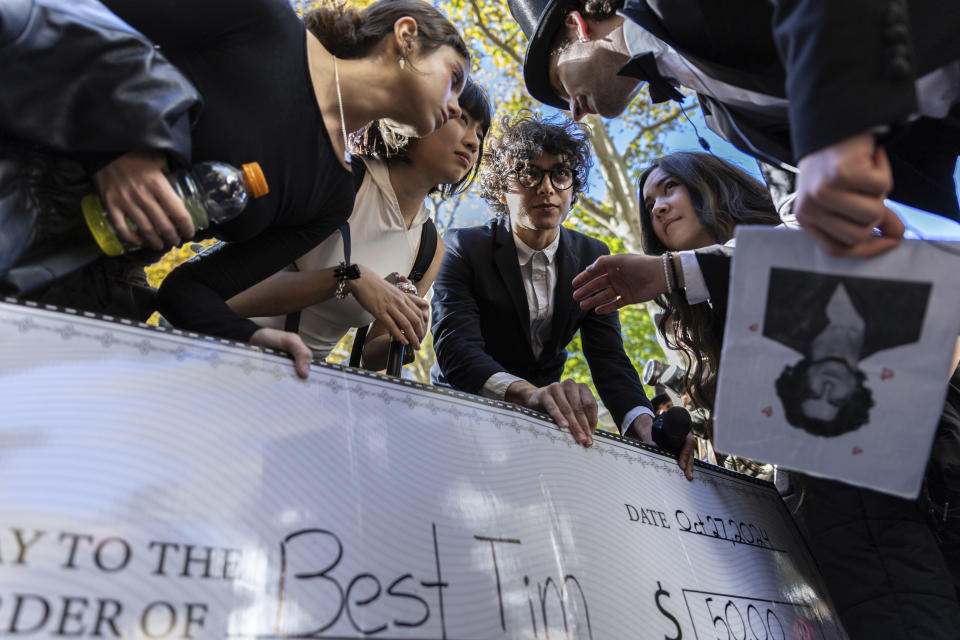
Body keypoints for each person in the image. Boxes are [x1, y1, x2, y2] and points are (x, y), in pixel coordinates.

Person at [573, 152, 960, 639]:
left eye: (670, 188)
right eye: (649, 203)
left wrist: (671, 272)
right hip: (836, 527)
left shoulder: (800, 233)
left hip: (923, 487)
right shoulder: (697, 321)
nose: (658, 208)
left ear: (714, 186)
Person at [91, 0, 470, 377]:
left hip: (97, 286)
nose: (455, 108)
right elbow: (86, 14)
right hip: (39, 178)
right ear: (406, 37)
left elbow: (186, 291)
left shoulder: (331, 198)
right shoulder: (263, 19)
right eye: (453, 79)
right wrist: (127, 140)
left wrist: (253, 340)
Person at [507, 0, 960, 257]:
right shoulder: (718, 120)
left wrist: (831, 132)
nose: (573, 112)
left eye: (560, 86)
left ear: (576, 25)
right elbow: (794, 201)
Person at [430, 112, 662, 460]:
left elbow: (608, 357)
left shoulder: (593, 256)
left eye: (561, 174)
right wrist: (529, 394)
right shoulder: (462, 247)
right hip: (463, 408)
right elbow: (456, 349)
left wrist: (645, 423)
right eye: (529, 173)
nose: (547, 187)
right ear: (499, 187)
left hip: (544, 417)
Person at [225, 80, 491, 368]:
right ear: (415, 114)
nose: (473, 141)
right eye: (461, 119)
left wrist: (404, 337)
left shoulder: (429, 250)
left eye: (479, 133)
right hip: (220, 351)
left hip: (296, 386)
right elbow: (228, 295)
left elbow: (368, 356)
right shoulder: (338, 179)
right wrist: (348, 279)